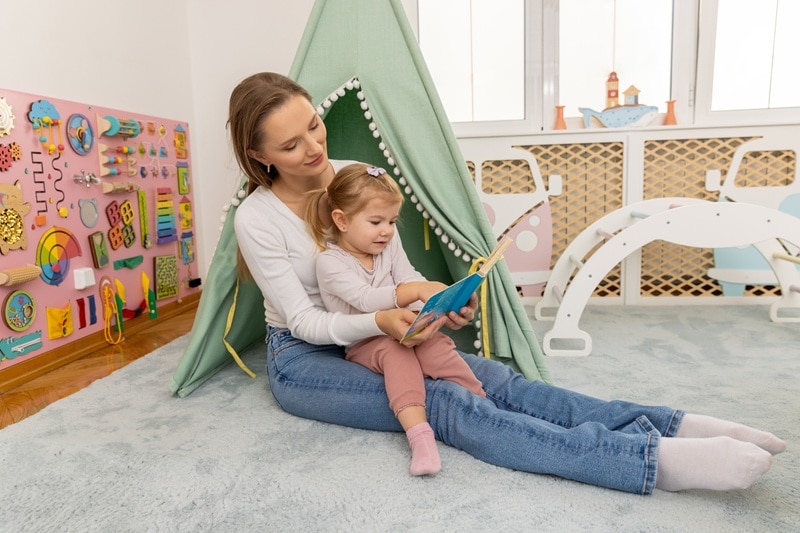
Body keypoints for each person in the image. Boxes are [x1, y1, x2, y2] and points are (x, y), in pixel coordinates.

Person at [230, 72, 786, 494]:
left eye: (313, 125)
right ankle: (647, 460)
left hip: (387, 331)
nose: (313, 146)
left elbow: (399, 275)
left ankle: (675, 425)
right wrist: (382, 319)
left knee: (503, 382)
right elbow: (304, 321)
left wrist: (437, 307)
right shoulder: (257, 218)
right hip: (305, 357)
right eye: (290, 145)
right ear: (258, 156)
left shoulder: (355, 179)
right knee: (446, 402)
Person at [305, 162, 487, 476]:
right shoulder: (329, 262)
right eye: (376, 221)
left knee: (438, 347)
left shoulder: (387, 244)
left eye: (391, 220)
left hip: (405, 324)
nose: (387, 230)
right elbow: (365, 298)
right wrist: (415, 288)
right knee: (397, 356)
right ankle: (420, 436)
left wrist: (438, 298)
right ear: (342, 220)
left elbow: (408, 276)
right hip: (366, 340)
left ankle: (480, 404)